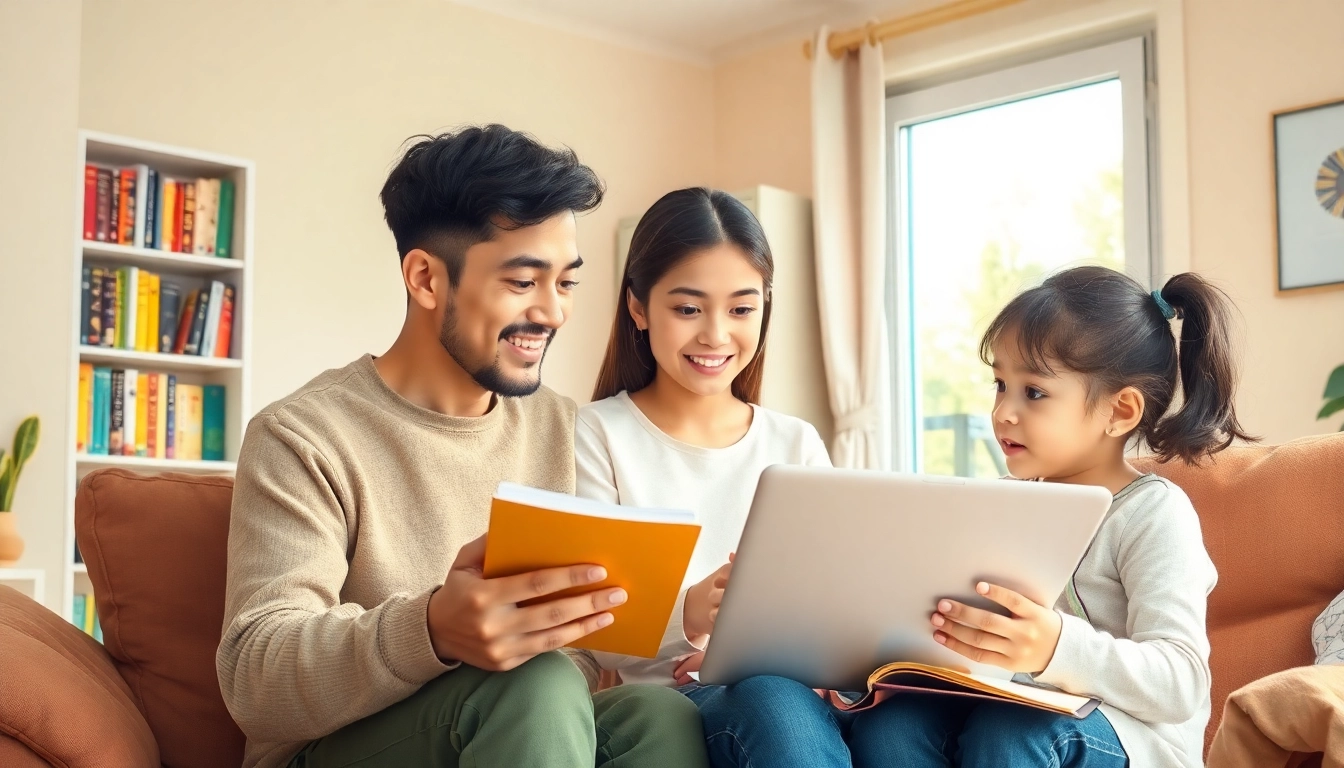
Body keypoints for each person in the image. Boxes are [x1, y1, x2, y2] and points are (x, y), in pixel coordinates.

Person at [217, 125, 709, 768]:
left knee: (659, 717)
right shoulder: (304, 436)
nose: (554, 313)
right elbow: (256, 677)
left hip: (518, 729)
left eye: (565, 284)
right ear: (425, 278)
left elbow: (585, 657)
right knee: (534, 683)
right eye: (523, 281)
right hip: (335, 752)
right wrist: (432, 629)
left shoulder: (565, 429)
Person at [695, 265, 1249, 768]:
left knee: (1012, 734)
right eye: (1000, 385)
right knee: (895, 726)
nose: (1002, 412)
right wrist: (902, 671)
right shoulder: (1002, 503)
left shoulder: (1155, 513)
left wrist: (1055, 645)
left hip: (1131, 740)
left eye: (1034, 392)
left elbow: (1181, 681)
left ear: (1119, 410)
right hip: (1015, 711)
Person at [568, 187, 830, 697]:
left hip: (785, 685)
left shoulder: (795, 442)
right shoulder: (597, 433)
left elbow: (829, 599)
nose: (715, 335)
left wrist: (746, 655)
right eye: (689, 309)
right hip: (676, 703)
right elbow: (598, 633)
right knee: (769, 700)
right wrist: (692, 610)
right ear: (638, 308)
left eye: (740, 310)